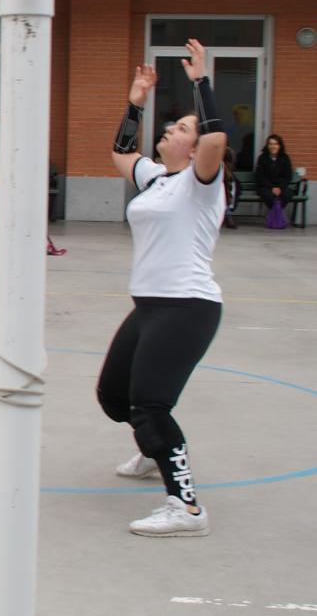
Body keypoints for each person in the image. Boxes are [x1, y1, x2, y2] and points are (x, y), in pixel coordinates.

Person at [99, 40, 227, 538]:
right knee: (115, 396)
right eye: (172, 125)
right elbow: (120, 153)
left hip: (188, 306)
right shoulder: (156, 178)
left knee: (151, 403)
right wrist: (135, 100)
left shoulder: (202, 180)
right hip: (149, 306)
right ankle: (154, 450)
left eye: (181, 128)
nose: (171, 130)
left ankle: (186, 508)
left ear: (193, 147)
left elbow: (216, 141)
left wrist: (201, 83)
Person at [255, 134, 294, 212]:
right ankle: (276, 214)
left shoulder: (285, 158)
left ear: (279, 146)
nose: (273, 146)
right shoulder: (262, 158)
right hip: (266, 186)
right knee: (268, 195)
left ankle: (276, 213)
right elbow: (260, 176)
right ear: (268, 146)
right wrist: (272, 187)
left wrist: (279, 187)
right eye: (271, 144)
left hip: (281, 186)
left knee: (287, 194)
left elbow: (288, 176)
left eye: (275, 144)